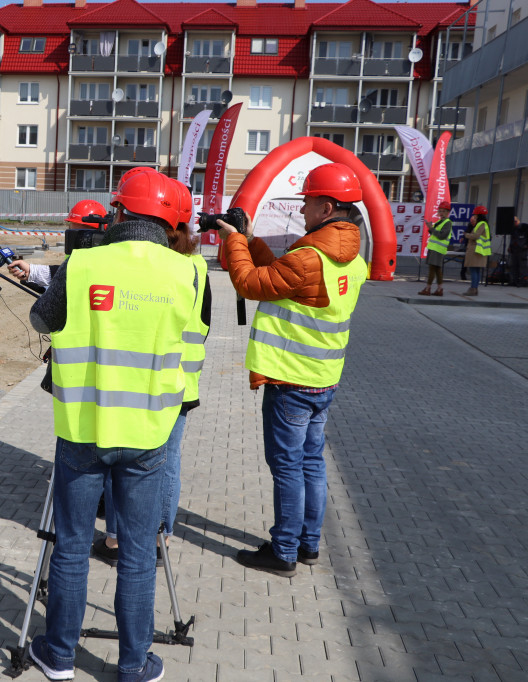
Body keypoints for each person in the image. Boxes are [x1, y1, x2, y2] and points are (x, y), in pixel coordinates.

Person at [27, 170, 201, 682]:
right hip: (149, 435)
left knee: (74, 546)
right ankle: (133, 665)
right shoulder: (186, 272)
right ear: (169, 221)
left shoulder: (82, 264)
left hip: (83, 428)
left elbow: (42, 320)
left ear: (118, 212)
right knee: (139, 556)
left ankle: (58, 656)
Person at [217, 162, 367, 578]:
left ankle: (283, 551)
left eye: (308, 202)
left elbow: (250, 283)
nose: (302, 209)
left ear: (328, 206)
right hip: (324, 379)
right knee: (311, 462)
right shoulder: (351, 258)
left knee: (286, 466)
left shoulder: (309, 258)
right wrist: (249, 238)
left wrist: (233, 244)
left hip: (290, 380)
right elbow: (280, 275)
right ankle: (308, 544)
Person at [93, 177, 212, 567]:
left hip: (143, 380)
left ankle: (118, 539)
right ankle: (157, 537)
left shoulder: (157, 267)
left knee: (119, 459)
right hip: (179, 383)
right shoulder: (195, 268)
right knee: (167, 462)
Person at [7, 199, 107, 287]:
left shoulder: (104, 262)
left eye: (80, 232)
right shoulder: (75, 252)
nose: (73, 238)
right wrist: (31, 271)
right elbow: (65, 274)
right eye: (71, 231)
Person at [418, 202, 452, 296]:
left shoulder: (447, 223)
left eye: (443, 211)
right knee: (437, 270)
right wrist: (431, 228)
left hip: (437, 249)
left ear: (447, 212)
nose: (441, 213)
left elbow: (441, 235)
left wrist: (431, 228)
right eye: (440, 211)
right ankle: (439, 289)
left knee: (432, 269)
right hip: (435, 249)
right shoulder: (440, 221)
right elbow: (436, 234)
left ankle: (428, 288)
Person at [462, 205, 491, 296]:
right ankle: (474, 288)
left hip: (476, 250)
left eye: (475, 215)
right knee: (476, 270)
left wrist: (466, 235)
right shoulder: (483, 224)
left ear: (478, 215)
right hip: (479, 250)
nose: (474, 216)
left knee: (474, 270)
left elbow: (476, 236)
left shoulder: (481, 224)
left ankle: (473, 288)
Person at [508, 216, 526, 287]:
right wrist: (510, 246)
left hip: (522, 250)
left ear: (518, 221)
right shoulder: (513, 229)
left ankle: (523, 281)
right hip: (514, 249)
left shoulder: (524, 228)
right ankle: (514, 280)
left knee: (522, 266)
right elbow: (513, 239)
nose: (514, 223)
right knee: (513, 266)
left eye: (515, 221)